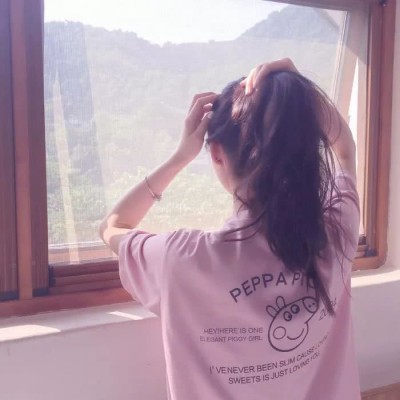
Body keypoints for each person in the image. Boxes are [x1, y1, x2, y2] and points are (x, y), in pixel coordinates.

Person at [99, 58, 360, 400]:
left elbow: (113, 226)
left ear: (217, 154)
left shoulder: (183, 260)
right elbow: (345, 149)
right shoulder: (339, 229)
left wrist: (180, 156)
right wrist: (300, 98)